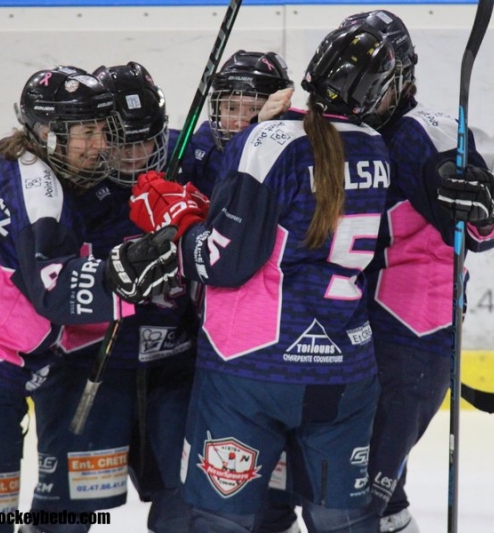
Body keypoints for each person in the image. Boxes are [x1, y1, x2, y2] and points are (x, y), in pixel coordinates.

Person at [129, 25, 397, 533]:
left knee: (218, 519)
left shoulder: (267, 141)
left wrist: (178, 226)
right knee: (342, 519)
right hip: (343, 370)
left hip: (251, 366)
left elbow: (224, 262)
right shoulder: (375, 147)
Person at [0, 65, 178, 533]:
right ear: (48, 133)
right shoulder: (39, 189)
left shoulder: (17, 153)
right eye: (86, 133)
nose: (101, 146)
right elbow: (54, 289)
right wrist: (118, 276)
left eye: (103, 132)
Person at [338, 11, 494, 533]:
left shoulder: (423, 135)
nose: (358, 92)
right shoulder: (350, 129)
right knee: (372, 496)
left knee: (360, 498)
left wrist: (485, 208)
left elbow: (484, 231)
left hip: (410, 339)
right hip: (362, 333)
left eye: (371, 82)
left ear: (401, 80)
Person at [178, 50, 294, 196]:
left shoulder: (290, 158)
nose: (239, 122)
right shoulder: (202, 142)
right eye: (231, 108)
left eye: (255, 108)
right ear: (217, 107)